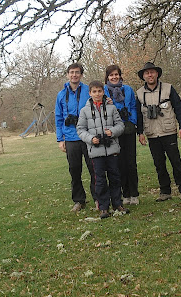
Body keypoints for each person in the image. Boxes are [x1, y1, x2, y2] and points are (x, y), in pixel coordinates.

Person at [136, 62, 181, 202]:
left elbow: (179, 108)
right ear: (143, 76)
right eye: (147, 73)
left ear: (157, 73)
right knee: (159, 164)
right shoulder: (140, 94)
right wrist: (140, 133)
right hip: (152, 134)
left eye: (152, 72)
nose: (150, 75)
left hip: (169, 131)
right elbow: (138, 115)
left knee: (176, 161)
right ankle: (165, 191)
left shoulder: (168, 88)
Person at [77, 80, 130, 219]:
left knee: (115, 177)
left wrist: (111, 132)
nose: (97, 94)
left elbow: (120, 125)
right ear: (90, 93)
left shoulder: (112, 108)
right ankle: (103, 207)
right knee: (99, 180)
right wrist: (90, 139)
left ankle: (117, 203)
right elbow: (80, 129)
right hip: (95, 151)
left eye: (100, 91)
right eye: (94, 91)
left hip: (111, 149)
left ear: (103, 92)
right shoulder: (84, 111)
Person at [55, 63, 97, 212]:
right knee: (74, 170)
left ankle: (98, 198)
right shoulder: (61, 95)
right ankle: (79, 200)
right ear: (67, 75)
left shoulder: (88, 90)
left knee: (94, 169)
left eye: (77, 72)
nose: (74, 75)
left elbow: (100, 101)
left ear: (81, 75)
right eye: (72, 72)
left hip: (88, 135)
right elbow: (58, 118)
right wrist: (60, 139)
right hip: (71, 137)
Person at [104, 65, 140, 205]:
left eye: (116, 74)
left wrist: (132, 121)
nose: (114, 77)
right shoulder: (105, 91)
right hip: (113, 130)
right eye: (111, 75)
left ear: (120, 75)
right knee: (119, 164)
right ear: (107, 77)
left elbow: (132, 106)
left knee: (131, 162)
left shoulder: (128, 89)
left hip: (128, 127)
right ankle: (125, 194)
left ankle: (134, 193)